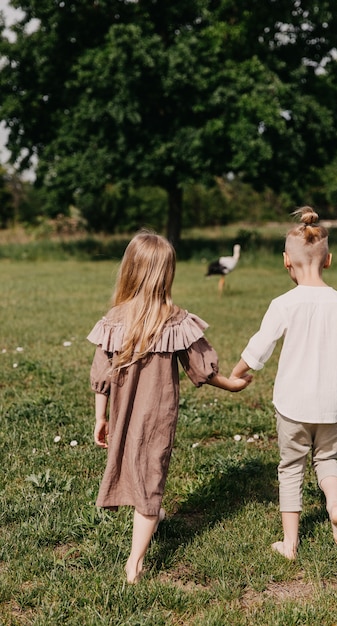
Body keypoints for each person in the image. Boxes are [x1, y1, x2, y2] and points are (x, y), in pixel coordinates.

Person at [87, 230, 252, 583]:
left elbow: (101, 374)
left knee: (135, 466)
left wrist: (101, 416)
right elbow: (203, 368)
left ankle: (150, 513)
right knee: (151, 472)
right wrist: (232, 385)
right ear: (167, 274)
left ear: (129, 270)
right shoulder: (174, 319)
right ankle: (135, 562)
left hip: (124, 415)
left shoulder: (115, 319)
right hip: (158, 415)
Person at [229, 207, 337, 559]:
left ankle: (290, 544)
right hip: (333, 407)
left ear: (285, 262)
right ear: (329, 260)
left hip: (292, 406)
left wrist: (237, 371)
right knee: (327, 460)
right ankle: (335, 504)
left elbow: (260, 346)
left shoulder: (284, 304)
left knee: (291, 468)